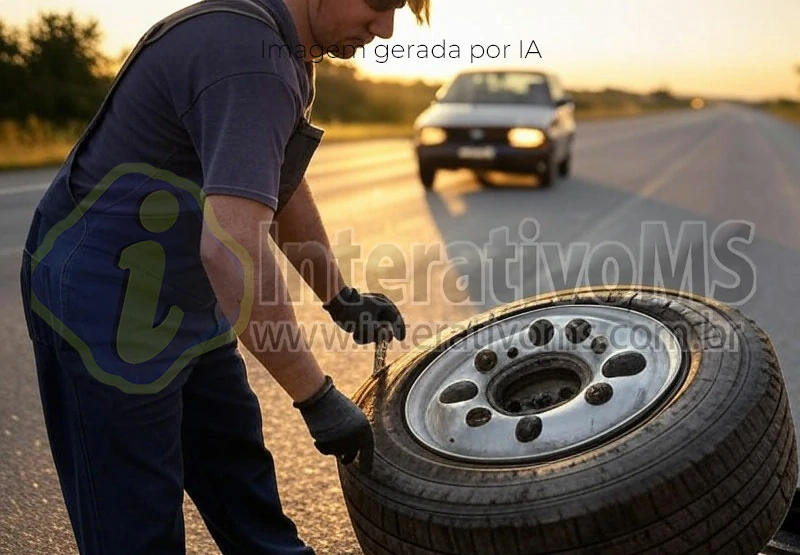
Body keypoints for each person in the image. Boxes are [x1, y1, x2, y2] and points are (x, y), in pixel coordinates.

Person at [18, 0, 430, 553]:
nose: (385, 30)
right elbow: (231, 249)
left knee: (239, 481)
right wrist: (316, 396)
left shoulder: (281, 48)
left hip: (185, 297)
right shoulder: (249, 59)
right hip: (104, 308)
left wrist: (339, 296)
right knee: (136, 524)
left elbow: (275, 184)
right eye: (378, 4)